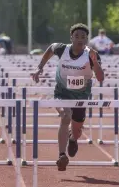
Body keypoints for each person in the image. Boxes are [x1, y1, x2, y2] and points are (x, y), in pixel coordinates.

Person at [32, 23, 104, 171]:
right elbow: (49, 49)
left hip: (81, 97)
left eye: (83, 37)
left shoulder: (92, 54)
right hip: (61, 93)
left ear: (86, 40)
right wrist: (39, 69)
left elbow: (101, 78)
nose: (80, 39)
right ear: (71, 37)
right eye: (76, 36)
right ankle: (61, 155)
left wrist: (95, 62)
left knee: (77, 132)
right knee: (65, 116)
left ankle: (72, 139)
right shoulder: (61, 49)